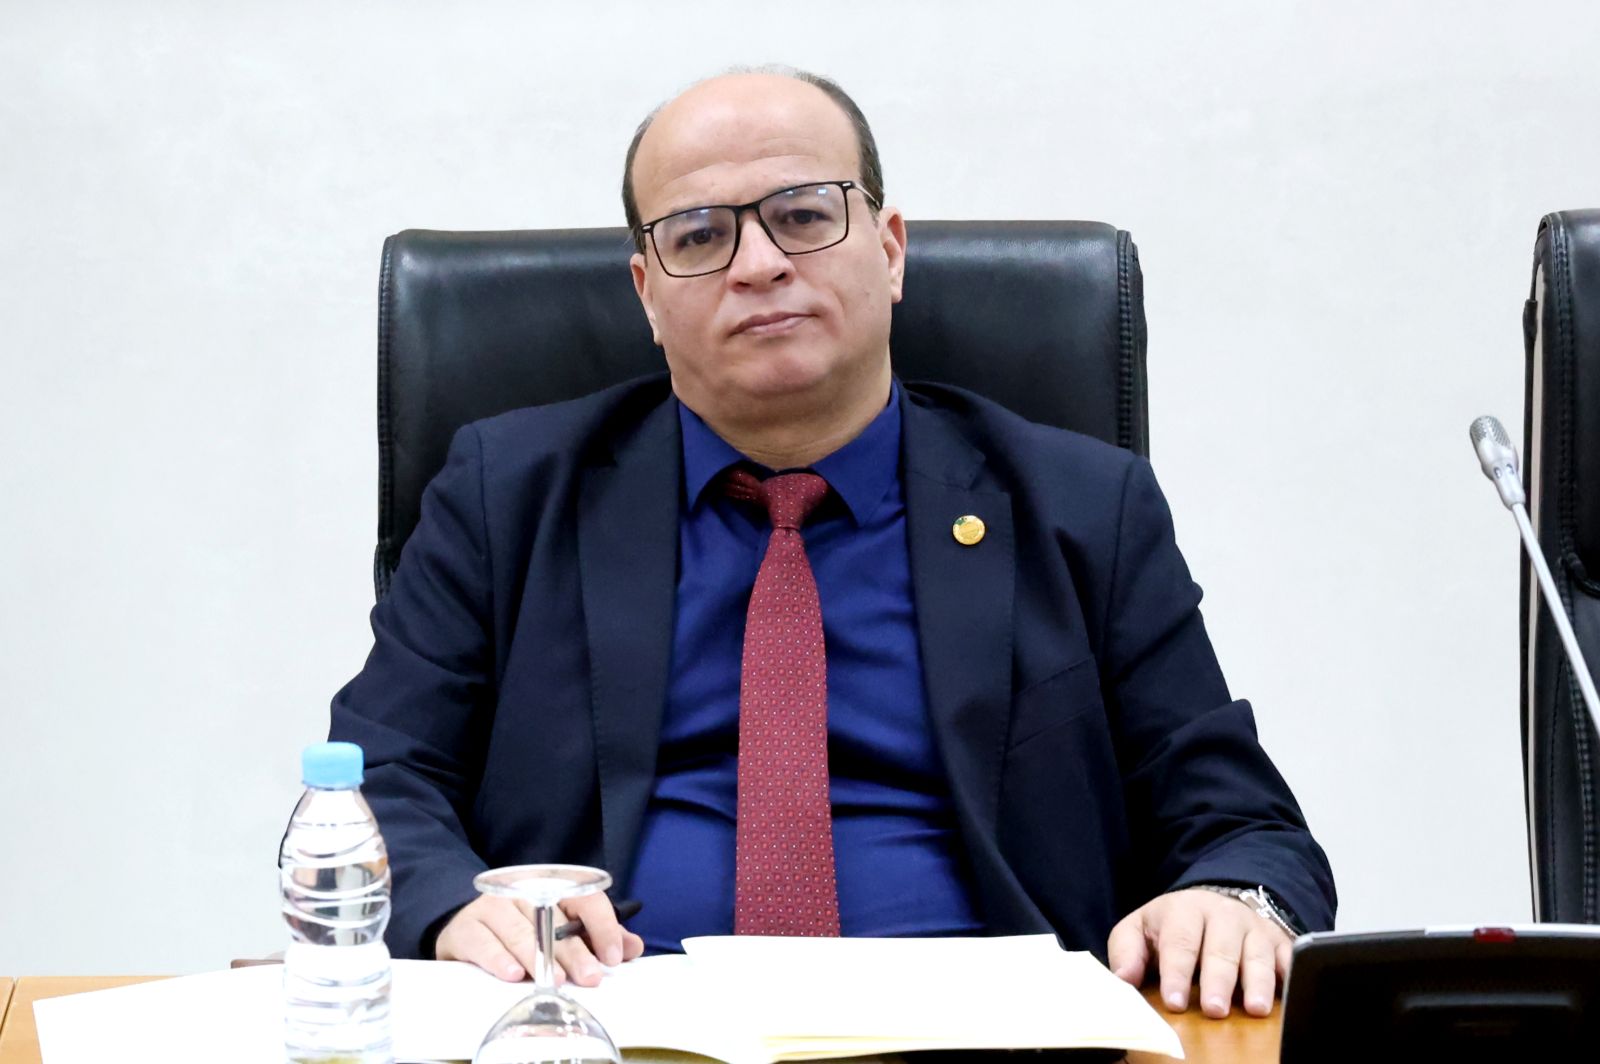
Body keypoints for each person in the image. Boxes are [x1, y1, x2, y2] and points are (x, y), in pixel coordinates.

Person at [329, 66, 1335, 1022]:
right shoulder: (507, 494)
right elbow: (379, 775)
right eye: (699, 235)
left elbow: (1241, 826)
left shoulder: (1082, 505)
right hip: (610, 1021)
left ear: (889, 250)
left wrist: (1231, 900)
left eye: (804, 216)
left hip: (991, 1036)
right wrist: (452, 904)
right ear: (646, 292)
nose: (758, 264)